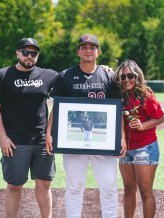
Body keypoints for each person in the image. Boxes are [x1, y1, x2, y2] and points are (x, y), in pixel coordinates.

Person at [46, 33, 118, 218]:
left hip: (103, 141)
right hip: (74, 140)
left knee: (109, 186)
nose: (88, 50)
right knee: (75, 186)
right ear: (78, 51)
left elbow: (118, 111)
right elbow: (57, 108)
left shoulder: (110, 76)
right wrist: (49, 132)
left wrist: (122, 138)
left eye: (92, 47)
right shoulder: (65, 76)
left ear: (98, 51)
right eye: (84, 47)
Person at [0, 38, 58, 218]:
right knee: (14, 185)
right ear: (17, 53)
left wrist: (103, 69)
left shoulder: (48, 75)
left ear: (37, 55)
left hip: (42, 141)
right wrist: (2, 137)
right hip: (15, 142)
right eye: (25, 52)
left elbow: (74, 79)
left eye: (33, 53)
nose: (29, 56)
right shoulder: (3, 75)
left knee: (44, 184)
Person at [113, 59, 164, 218]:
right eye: (123, 77)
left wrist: (142, 125)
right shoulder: (119, 95)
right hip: (126, 149)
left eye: (130, 76)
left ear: (137, 76)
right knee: (128, 189)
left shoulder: (145, 95)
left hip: (145, 148)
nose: (126, 80)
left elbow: (160, 118)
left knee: (145, 191)